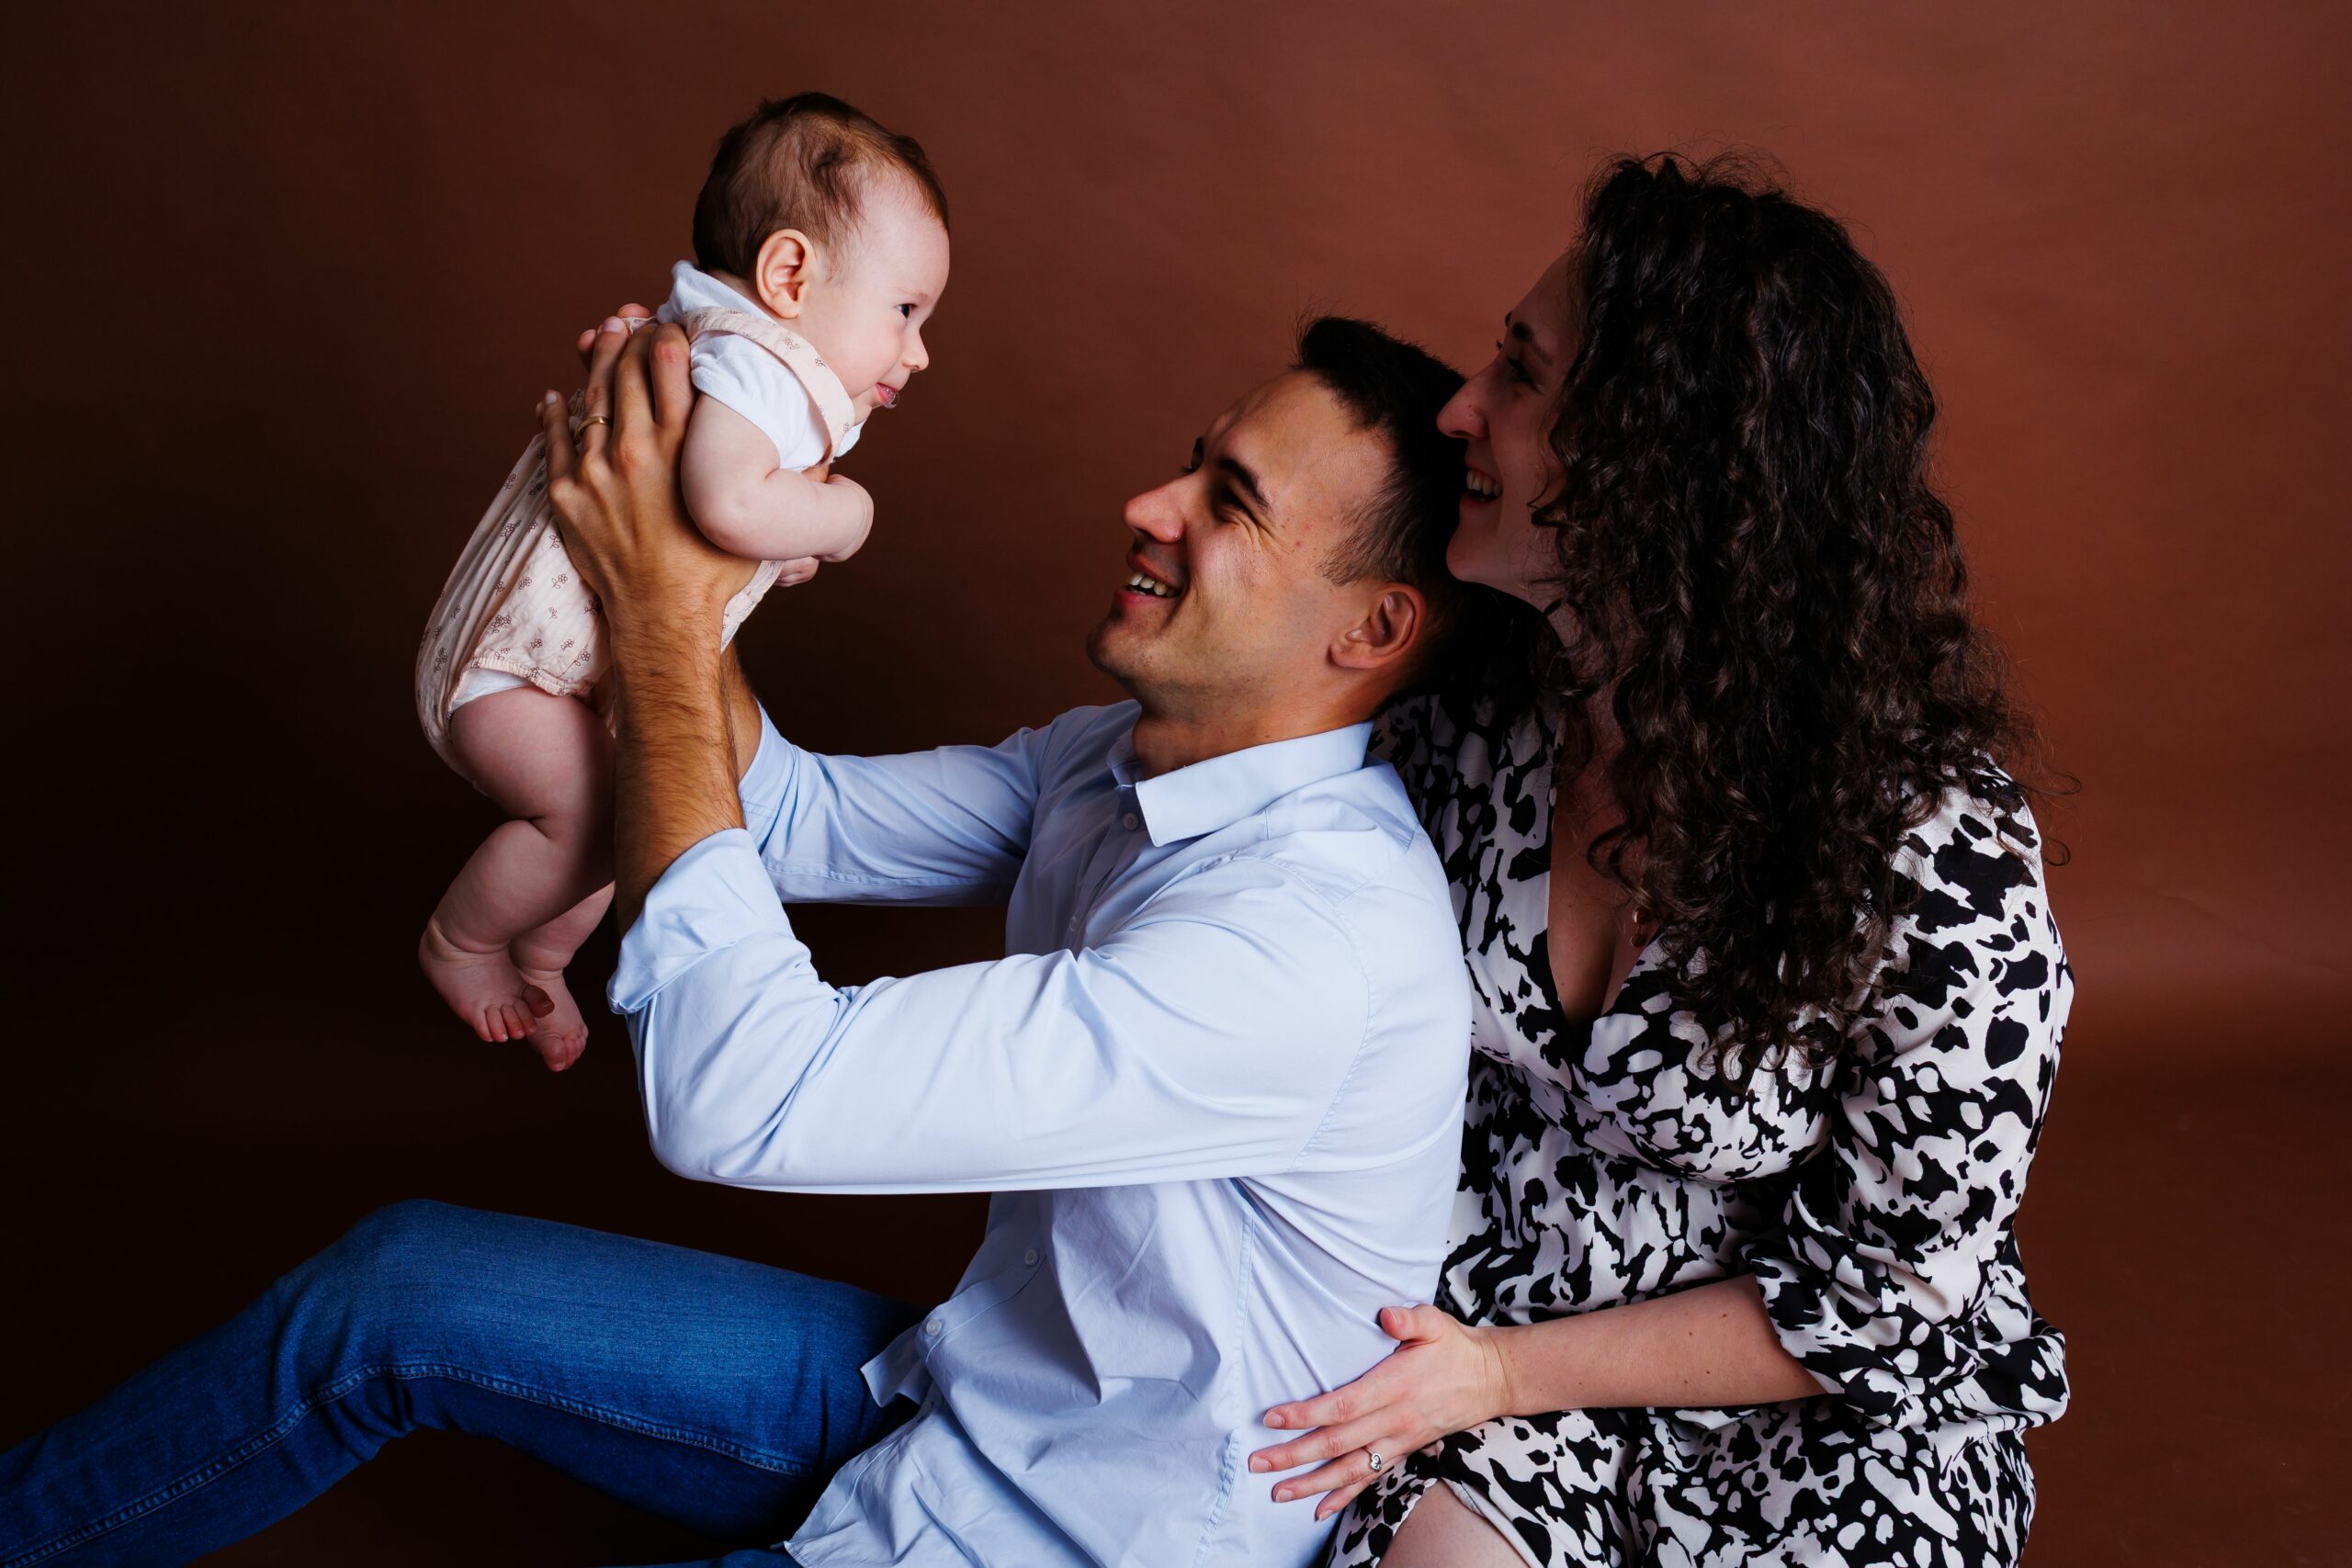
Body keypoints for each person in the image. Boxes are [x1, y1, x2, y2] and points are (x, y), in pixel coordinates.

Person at [0, 314, 1478, 1568]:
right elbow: (791, 816)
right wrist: (680, 515)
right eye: (1190, 458)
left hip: (1068, 1526)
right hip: (963, 1379)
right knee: (395, 1289)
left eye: (1229, 499)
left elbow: (746, 1096)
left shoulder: (1309, 945)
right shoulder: (1124, 757)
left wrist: (660, 615)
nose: (1153, 503)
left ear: (1371, 627)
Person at [1241, 156, 2075, 1568]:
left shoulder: (1938, 855)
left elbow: (1881, 1301)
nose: (1460, 410)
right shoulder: (1473, 704)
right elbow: (1214, 785)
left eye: (1520, 372)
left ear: (1656, 465)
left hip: (1816, 1398)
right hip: (1477, 1329)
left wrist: (1510, 1371)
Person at [414, 93, 950, 1070]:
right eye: (905, 311)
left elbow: (728, 514)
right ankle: (465, 940)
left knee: (629, 803)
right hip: (512, 673)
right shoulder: (755, 368)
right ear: (789, 274)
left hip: (557, 668)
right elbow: (727, 504)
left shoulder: (730, 353)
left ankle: (545, 951)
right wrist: (842, 520)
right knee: (590, 813)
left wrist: (772, 541)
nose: (918, 349)